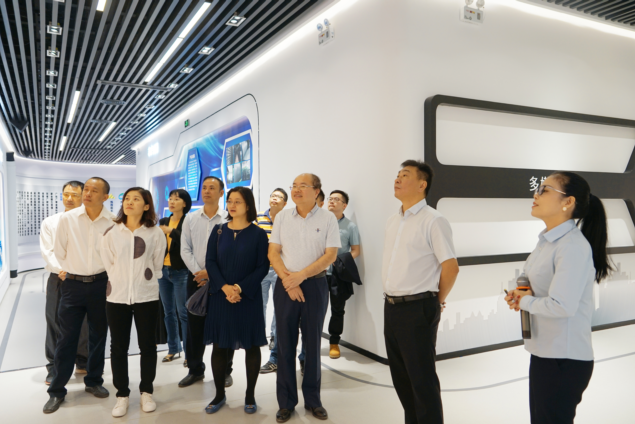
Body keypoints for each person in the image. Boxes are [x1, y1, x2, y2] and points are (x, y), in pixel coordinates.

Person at [505, 172, 610, 424]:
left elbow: (562, 305)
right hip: (546, 353)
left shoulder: (571, 246)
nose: (536, 195)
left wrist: (524, 301)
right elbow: (538, 288)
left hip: (563, 359)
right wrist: (521, 294)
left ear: (568, 202)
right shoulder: (547, 241)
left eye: (545, 190)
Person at [382, 160, 459, 424]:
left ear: (422, 184)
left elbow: (451, 267)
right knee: (401, 379)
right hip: (391, 306)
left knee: (422, 381)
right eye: (397, 174)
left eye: (405, 175)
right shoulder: (393, 220)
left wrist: (436, 301)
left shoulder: (434, 220)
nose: (397, 179)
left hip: (418, 308)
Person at [269, 173, 340, 423]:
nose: (296, 190)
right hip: (286, 285)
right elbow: (273, 252)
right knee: (285, 345)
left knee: (312, 345)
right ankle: (286, 402)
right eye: (294, 186)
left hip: (315, 286)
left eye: (303, 186)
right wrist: (289, 281)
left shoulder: (328, 218)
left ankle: (313, 400)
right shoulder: (282, 217)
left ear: (316, 191)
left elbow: (330, 255)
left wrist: (300, 276)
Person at [44, 177, 116, 414]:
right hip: (72, 285)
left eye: (94, 190)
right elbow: (59, 251)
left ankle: (94, 381)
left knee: (98, 335)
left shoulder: (113, 221)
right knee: (67, 337)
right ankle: (57, 390)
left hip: (101, 284)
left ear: (105, 196)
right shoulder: (68, 219)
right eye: (86, 189)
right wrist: (74, 270)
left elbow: (115, 254)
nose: (87, 193)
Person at [202, 187, 270, 414]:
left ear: (248, 205)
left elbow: (262, 266)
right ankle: (219, 394)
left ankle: (250, 395)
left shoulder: (258, 234)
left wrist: (239, 288)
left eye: (237, 201)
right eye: (230, 201)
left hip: (247, 297)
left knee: (251, 346)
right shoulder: (219, 230)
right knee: (219, 346)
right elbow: (210, 261)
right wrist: (225, 287)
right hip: (221, 297)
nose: (232, 205)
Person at [100, 187, 166, 417]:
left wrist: (141, 280)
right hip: (117, 297)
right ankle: (122, 395)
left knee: (148, 345)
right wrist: (121, 280)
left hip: (146, 296)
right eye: (127, 198)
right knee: (118, 347)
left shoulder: (155, 233)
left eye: (136, 199)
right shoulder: (112, 232)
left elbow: (157, 265)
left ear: (146, 206)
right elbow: (109, 264)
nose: (129, 202)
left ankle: (147, 391)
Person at [179, 176, 234, 388]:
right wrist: (198, 272)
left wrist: (211, 274)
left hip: (223, 281)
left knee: (225, 326)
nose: (206, 191)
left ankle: (225, 370)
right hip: (196, 279)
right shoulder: (191, 218)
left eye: (212, 188)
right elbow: (185, 249)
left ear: (221, 193)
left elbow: (233, 252)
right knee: (194, 327)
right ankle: (195, 370)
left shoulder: (229, 218)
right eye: (204, 188)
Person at [41, 181, 89, 385]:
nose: (69, 199)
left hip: (84, 278)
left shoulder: (89, 222)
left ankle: (83, 360)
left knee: (85, 322)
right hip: (58, 278)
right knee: (54, 321)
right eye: (66, 194)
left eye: (74, 195)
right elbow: (48, 251)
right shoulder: (50, 222)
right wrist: (63, 270)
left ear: (83, 197)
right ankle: (54, 366)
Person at [157, 189, 192, 363]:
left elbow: (188, 242)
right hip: (163, 271)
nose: (171, 201)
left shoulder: (188, 221)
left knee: (183, 313)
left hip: (181, 272)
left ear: (184, 203)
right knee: (168, 312)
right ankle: (173, 348)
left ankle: (189, 353)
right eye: (170, 198)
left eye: (176, 199)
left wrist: (171, 231)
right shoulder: (163, 221)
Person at [325, 190, 361, 359]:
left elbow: (356, 250)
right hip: (318, 273)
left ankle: (334, 342)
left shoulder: (350, 226)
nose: (331, 201)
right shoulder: (321, 222)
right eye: (330, 198)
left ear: (344, 205)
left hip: (337, 275)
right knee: (314, 309)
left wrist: (339, 261)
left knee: (337, 310)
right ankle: (310, 342)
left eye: (336, 199)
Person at [258, 188, 287, 374]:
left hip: (280, 270)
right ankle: (259, 334)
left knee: (279, 306)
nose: (274, 198)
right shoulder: (258, 218)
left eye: (279, 197)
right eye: (273, 196)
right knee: (260, 304)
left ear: (285, 203)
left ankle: (275, 337)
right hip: (261, 269)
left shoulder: (287, 220)